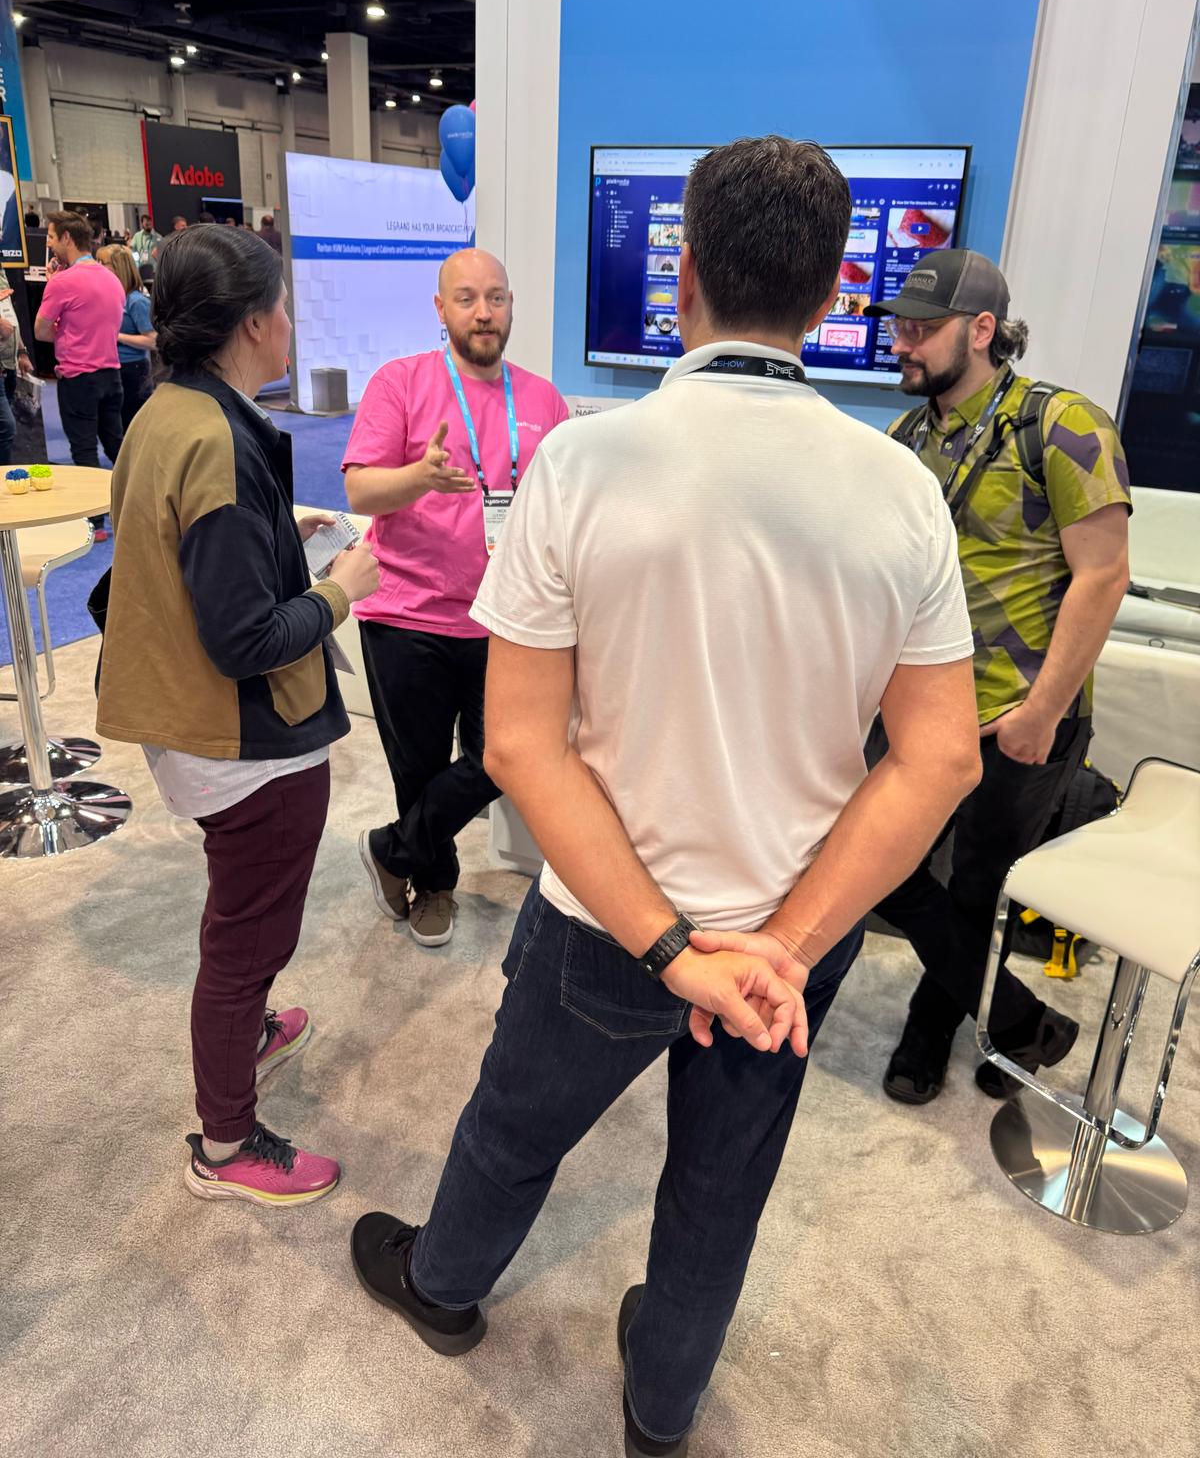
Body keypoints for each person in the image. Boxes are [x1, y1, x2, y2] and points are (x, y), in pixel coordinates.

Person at [349, 138, 983, 1455]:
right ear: (830, 300)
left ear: (681, 271)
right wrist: (776, 956)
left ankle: (445, 1284)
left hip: (608, 923)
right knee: (716, 1202)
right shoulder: (905, 491)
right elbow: (941, 759)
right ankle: (661, 1406)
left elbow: (521, 746)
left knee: (513, 1130)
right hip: (781, 948)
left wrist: (670, 951)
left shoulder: (582, 464)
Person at [95, 223, 380, 1207]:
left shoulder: (169, 409)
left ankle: (245, 1034)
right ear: (254, 322)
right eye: (285, 307)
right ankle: (225, 1143)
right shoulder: (213, 437)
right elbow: (247, 638)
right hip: (240, 737)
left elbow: (187, 553)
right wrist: (341, 587)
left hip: (193, 721)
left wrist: (273, 529)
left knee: (244, 925)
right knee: (246, 938)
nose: (293, 324)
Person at [861, 250, 1132, 1105]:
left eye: (921, 327)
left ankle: (933, 1024)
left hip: (1020, 713)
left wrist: (1043, 712)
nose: (901, 342)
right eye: (897, 325)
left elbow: (1104, 574)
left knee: (981, 888)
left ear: (982, 330)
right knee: (881, 868)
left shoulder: (1063, 424)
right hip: (917, 709)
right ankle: (1019, 1021)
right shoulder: (908, 439)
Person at [342, 247, 569, 947]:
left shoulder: (543, 400)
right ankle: (432, 887)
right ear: (440, 309)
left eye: (495, 297)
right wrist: (419, 477)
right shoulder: (400, 382)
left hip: (503, 618)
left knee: (505, 756)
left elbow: (562, 506)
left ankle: (391, 849)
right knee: (417, 767)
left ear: (510, 306)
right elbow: (360, 489)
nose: (483, 312)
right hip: (405, 612)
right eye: (466, 298)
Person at [34, 209, 125, 537]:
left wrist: (54, 288)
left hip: (78, 377)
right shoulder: (111, 278)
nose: (49, 243)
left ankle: (96, 523)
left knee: (84, 448)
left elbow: (42, 331)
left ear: (67, 239)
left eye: (51, 236)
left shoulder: (63, 282)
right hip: (112, 374)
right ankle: (138, 504)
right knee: (117, 444)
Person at [97, 243, 155, 430]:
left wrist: (117, 336)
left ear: (117, 267)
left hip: (133, 371)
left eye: (102, 262)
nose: (97, 266)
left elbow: (153, 340)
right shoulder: (112, 298)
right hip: (112, 369)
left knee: (131, 426)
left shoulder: (136, 301)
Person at [0, 279, 35, 467]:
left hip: (9, 365)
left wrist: (22, 352)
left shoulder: (2, 272)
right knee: (6, 427)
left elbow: (10, 318)